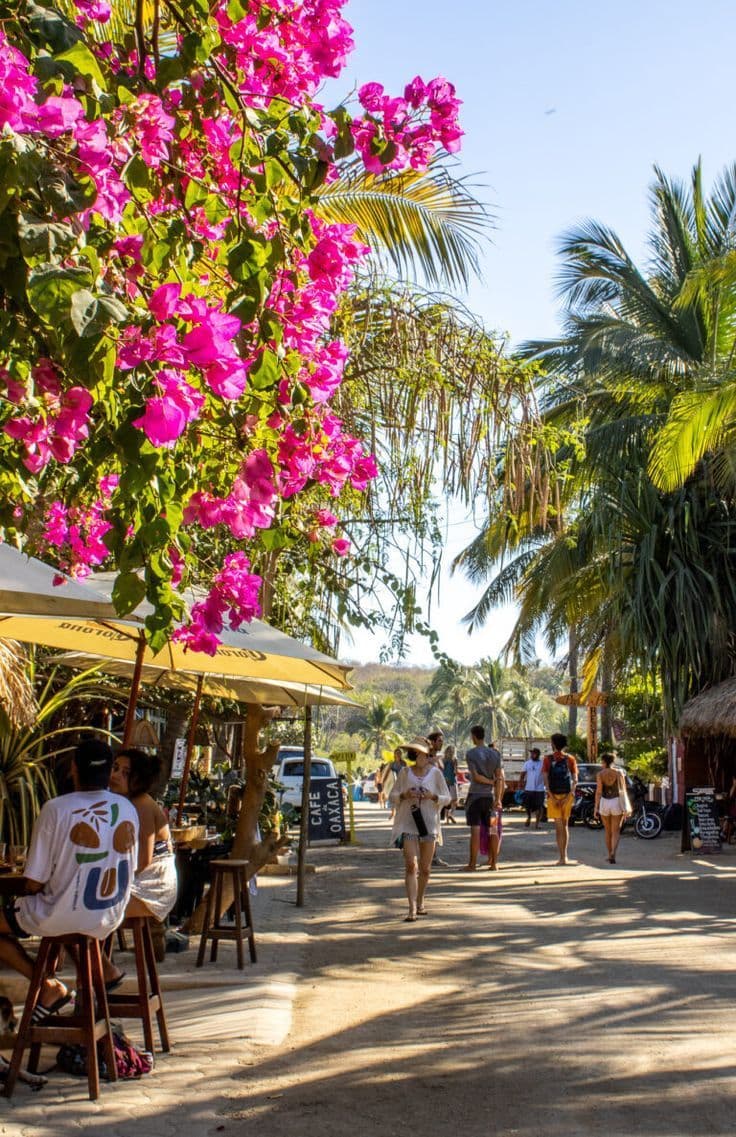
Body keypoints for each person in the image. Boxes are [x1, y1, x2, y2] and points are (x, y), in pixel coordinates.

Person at [0, 739, 138, 1020]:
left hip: (63, 916)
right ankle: (99, 970)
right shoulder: (126, 808)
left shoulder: (56, 809)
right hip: (108, 916)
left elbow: (33, 883)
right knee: (66, 909)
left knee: (52, 909)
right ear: (110, 771)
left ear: (73, 768)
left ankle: (47, 986)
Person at [104, 747, 178, 987]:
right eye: (115, 768)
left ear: (138, 779)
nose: (115, 775)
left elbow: (143, 860)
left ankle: (103, 972)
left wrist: (110, 876)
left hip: (152, 884)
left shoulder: (142, 805)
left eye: (125, 772)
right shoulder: (122, 802)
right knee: (87, 908)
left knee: (92, 913)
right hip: (136, 879)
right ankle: (100, 969)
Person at [389, 738, 451, 921]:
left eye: (424, 753)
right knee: (411, 865)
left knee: (425, 868)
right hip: (408, 823)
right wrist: (404, 795)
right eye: (417, 753)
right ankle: (412, 908)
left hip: (429, 824)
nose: (421, 757)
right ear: (414, 755)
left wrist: (433, 797)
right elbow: (392, 795)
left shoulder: (436, 774)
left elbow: (447, 797)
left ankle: (421, 899)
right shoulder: (404, 772)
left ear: (428, 754)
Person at [462, 725, 505, 871]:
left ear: (474, 736)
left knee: (475, 830)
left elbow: (476, 777)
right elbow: (499, 778)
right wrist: (498, 798)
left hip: (475, 798)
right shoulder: (495, 754)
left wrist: (489, 781)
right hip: (491, 799)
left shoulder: (471, 754)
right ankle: (494, 864)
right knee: (493, 830)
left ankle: (472, 864)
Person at [542, 733, 578, 865]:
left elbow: (545, 780)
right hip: (567, 796)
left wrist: (552, 796)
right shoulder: (570, 759)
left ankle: (560, 856)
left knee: (558, 827)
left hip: (553, 796)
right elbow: (575, 780)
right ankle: (565, 857)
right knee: (565, 825)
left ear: (553, 744)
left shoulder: (547, 759)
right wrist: (569, 796)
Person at [594, 752, 630, 863]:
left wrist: (596, 807)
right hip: (617, 802)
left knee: (607, 831)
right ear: (613, 761)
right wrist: (626, 807)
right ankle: (614, 852)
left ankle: (609, 854)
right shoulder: (619, 773)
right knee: (616, 831)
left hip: (605, 802)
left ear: (604, 762)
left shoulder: (600, 774)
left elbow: (599, 792)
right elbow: (623, 790)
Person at [520, 747, 545, 829]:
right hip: (529, 788)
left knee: (539, 806)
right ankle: (529, 817)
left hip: (539, 789)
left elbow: (546, 774)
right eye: (531, 753)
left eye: (534, 753)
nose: (532, 755)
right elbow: (522, 774)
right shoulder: (527, 763)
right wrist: (521, 784)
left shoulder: (542, 763)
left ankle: (537, 824)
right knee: (527, 806)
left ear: (538, 755)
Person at [441, 744, 458, 823]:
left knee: (447, 800)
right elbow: (455, 771)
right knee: (454, 800)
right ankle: (451, 814)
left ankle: (447, 819)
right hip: (452, 781)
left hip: (444, 781)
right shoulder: (454, 760)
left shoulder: (443, 759)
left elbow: (441, 770)